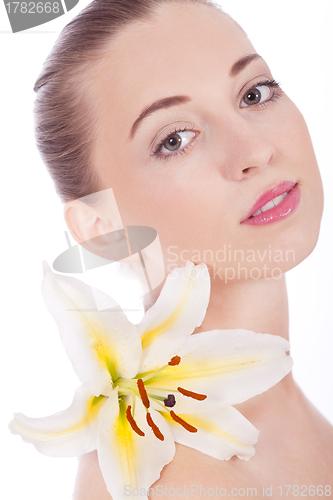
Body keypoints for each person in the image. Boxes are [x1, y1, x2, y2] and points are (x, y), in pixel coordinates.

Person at [30, 0, 333, 498]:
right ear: (104, 230)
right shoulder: (163, 481)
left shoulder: (285, 410)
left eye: (255, 93)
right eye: (174, 139)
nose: (255, 150)